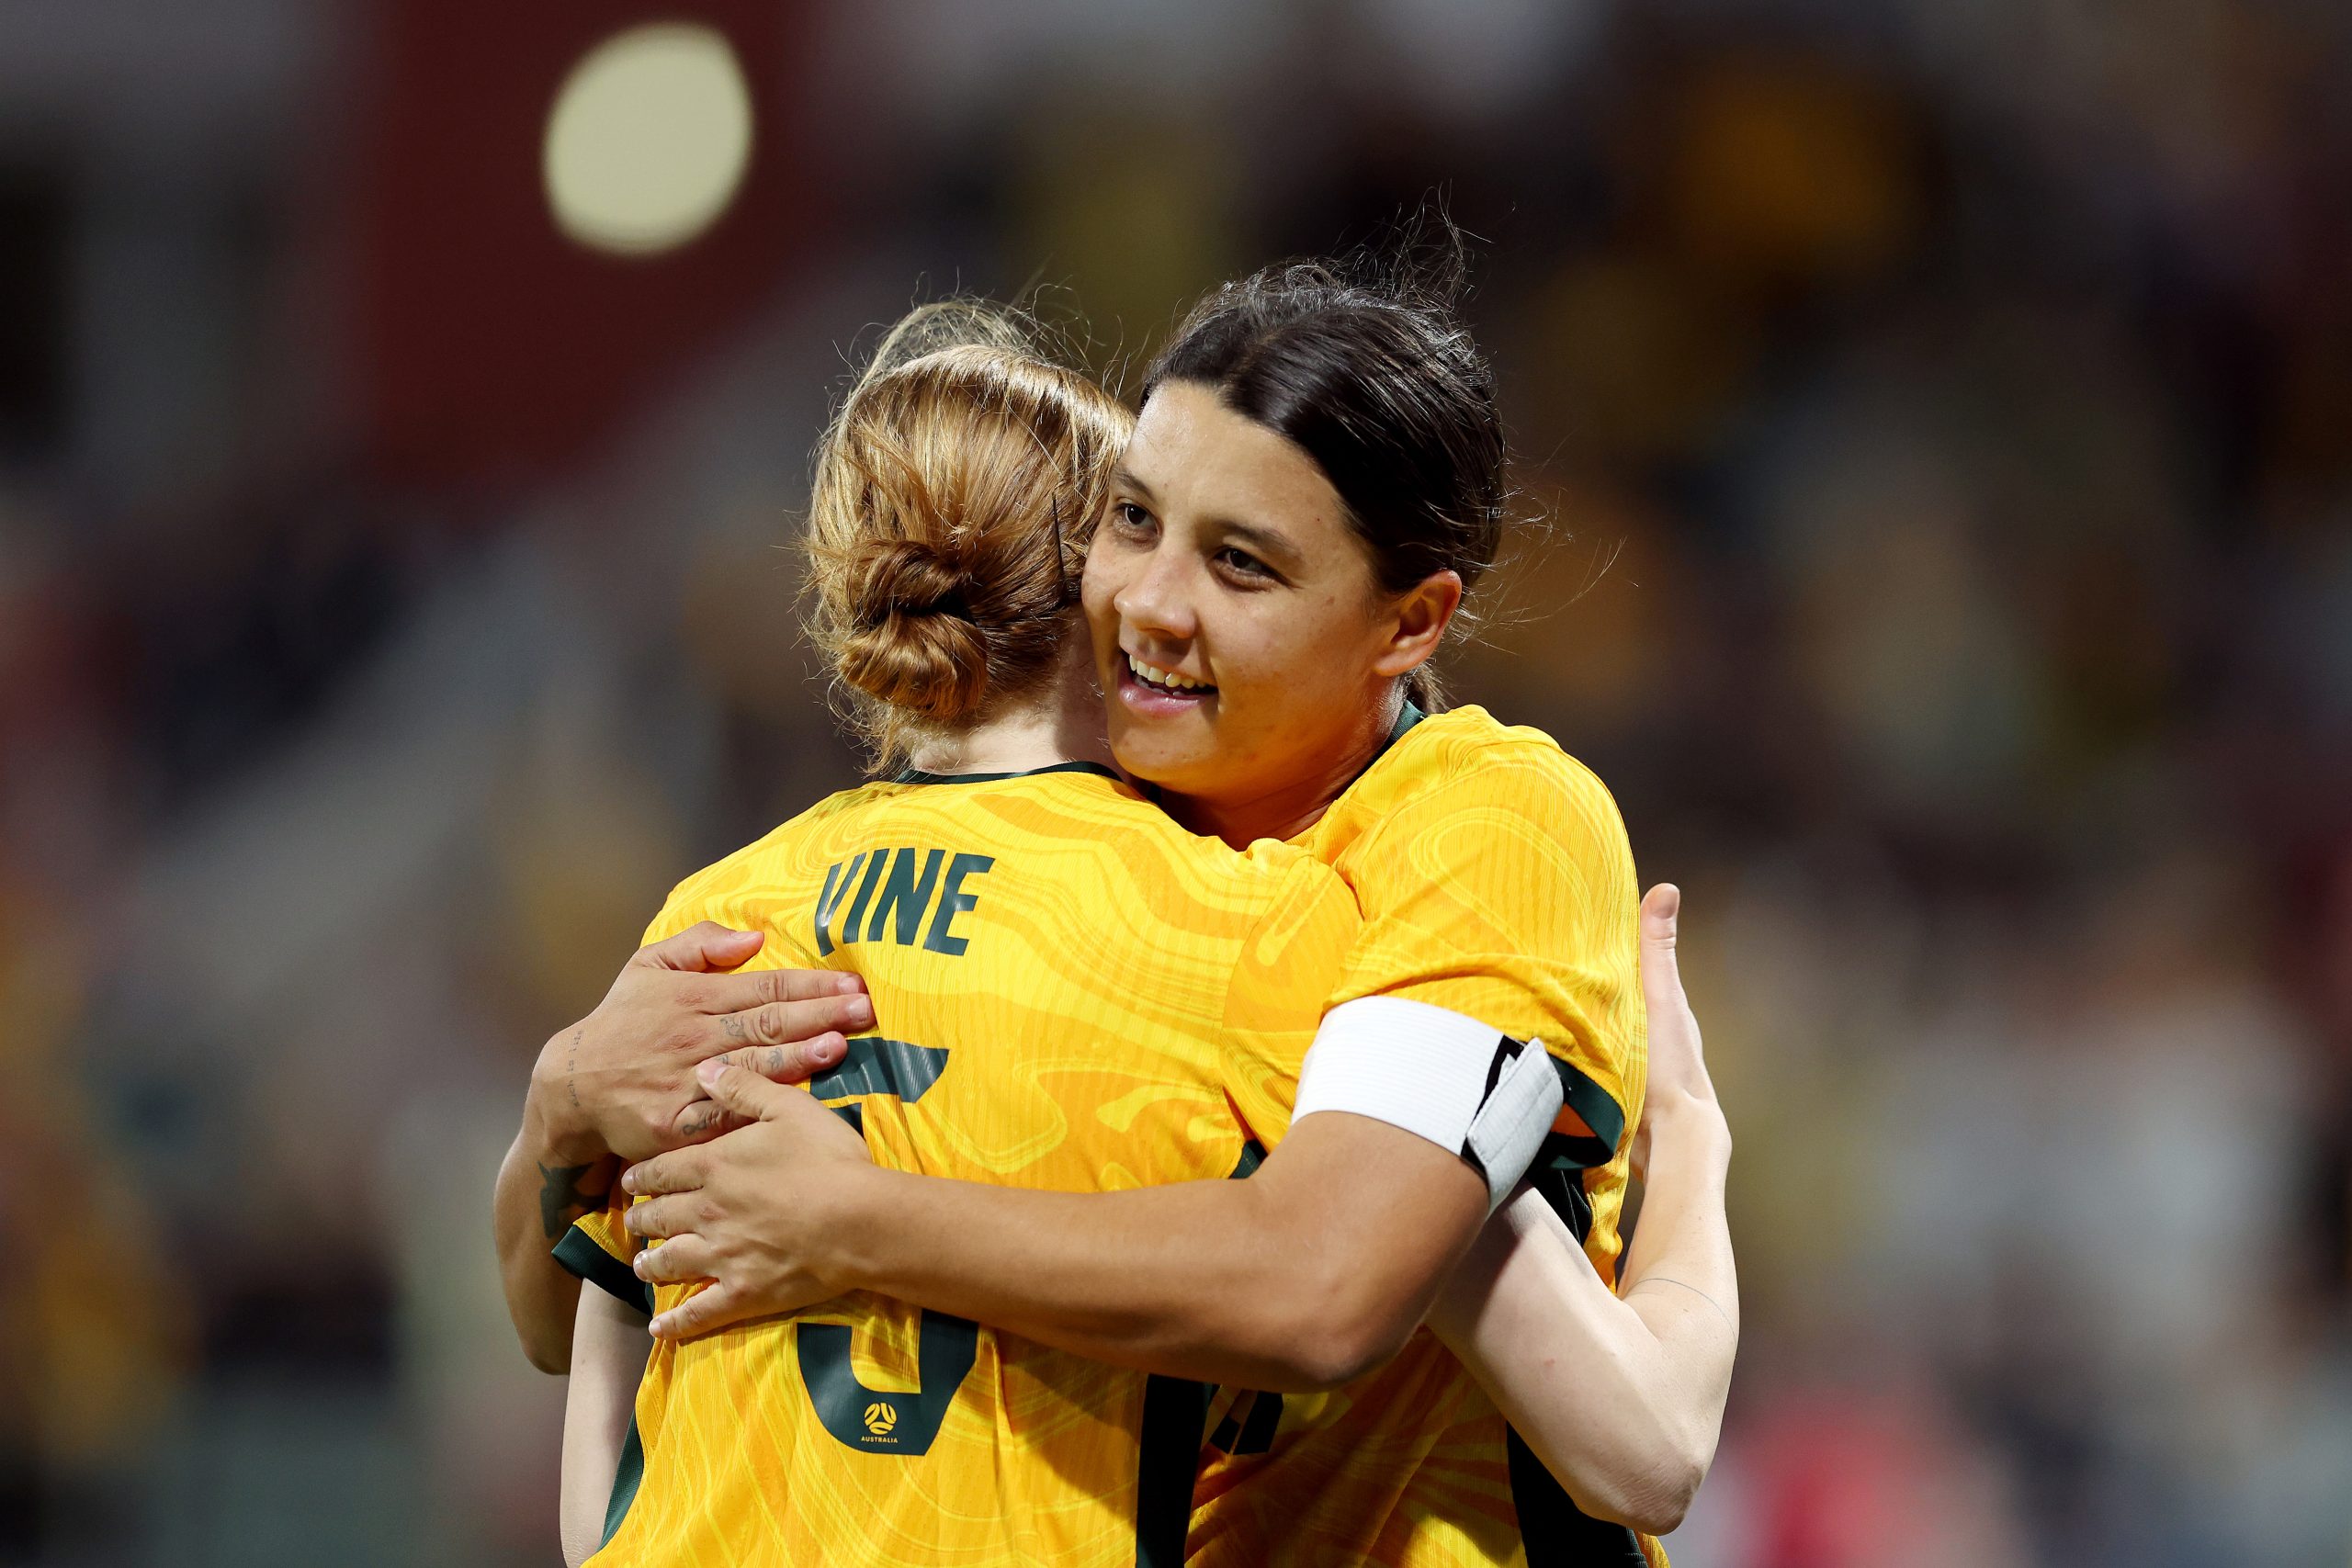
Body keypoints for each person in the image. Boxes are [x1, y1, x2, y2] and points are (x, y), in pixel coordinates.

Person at [579, 253, 1735, 1563]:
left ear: (1410, 625)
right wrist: (557, 1108)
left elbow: (1550, 1403)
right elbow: (593, 1296)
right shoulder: (1108, 834)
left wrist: (854, 1222)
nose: (1147, 606)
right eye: (1133, 520)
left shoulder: (1480, 826)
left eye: (1242, 566)